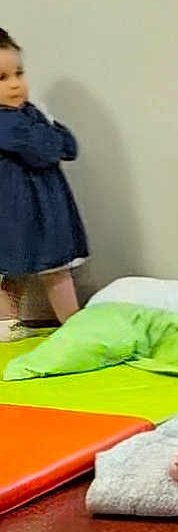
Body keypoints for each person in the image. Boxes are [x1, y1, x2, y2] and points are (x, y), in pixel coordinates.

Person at [0, 28, 88, 340]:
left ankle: (7, 325)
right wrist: (49, 128)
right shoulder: (8, 123)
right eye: (2, 78)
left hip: (34, 206)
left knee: (16, 267)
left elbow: (69, 146)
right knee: (54, 268)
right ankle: (73, 325)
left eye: (19, 73)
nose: (15, 84)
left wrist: (48, 128)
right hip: (27, 211)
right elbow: (47, 150)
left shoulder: (26, 115)